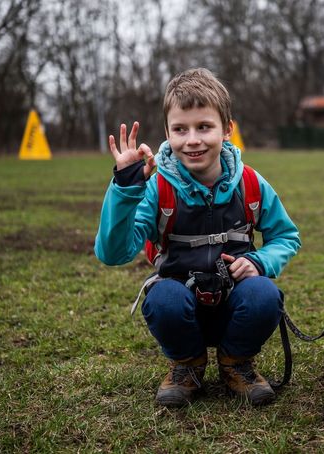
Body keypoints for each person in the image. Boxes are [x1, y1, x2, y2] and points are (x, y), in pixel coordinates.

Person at [94, 68, 301, 407]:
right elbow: (113, 253)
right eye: (180, 129)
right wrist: (125, 189)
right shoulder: (156, 187)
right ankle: (187, 366)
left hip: (237, 305)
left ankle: (237, 363)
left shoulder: (250, 183)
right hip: (180, 307)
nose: (192, 140)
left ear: (227, 129)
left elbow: (286, 237)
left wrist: (260, 261)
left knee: (265, 294)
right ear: (167, 133)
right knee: (162, 300)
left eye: (204, 127)